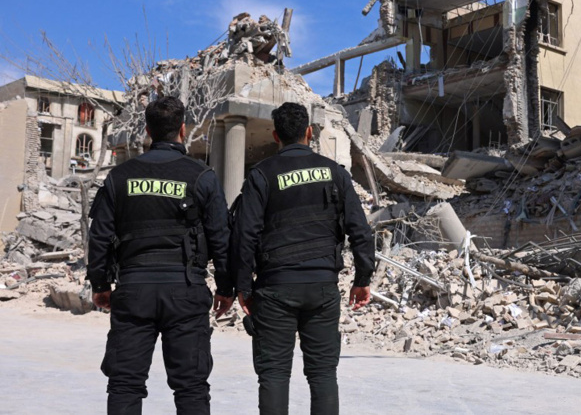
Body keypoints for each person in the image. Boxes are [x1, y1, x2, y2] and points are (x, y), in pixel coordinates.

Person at [87, 96, 234, 415]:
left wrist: (100, 285)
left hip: (134, 290)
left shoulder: (120, 176)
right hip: (185, 290)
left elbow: (99, 235)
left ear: (147, 130)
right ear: (183, 129)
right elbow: (221, 237)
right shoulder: (202, 176)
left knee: (124, 384)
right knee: (191, 387)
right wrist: (225, 287)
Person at [231, 102, 375, 415]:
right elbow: (360, 230)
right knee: (323, 374)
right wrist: (362, 279)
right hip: (322, 287)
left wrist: (242, 286)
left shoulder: (261, 175)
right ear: (309, 133)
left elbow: (245, 235)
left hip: (274, 289)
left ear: (274, 136)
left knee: (274, 375)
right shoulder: (335, 173)